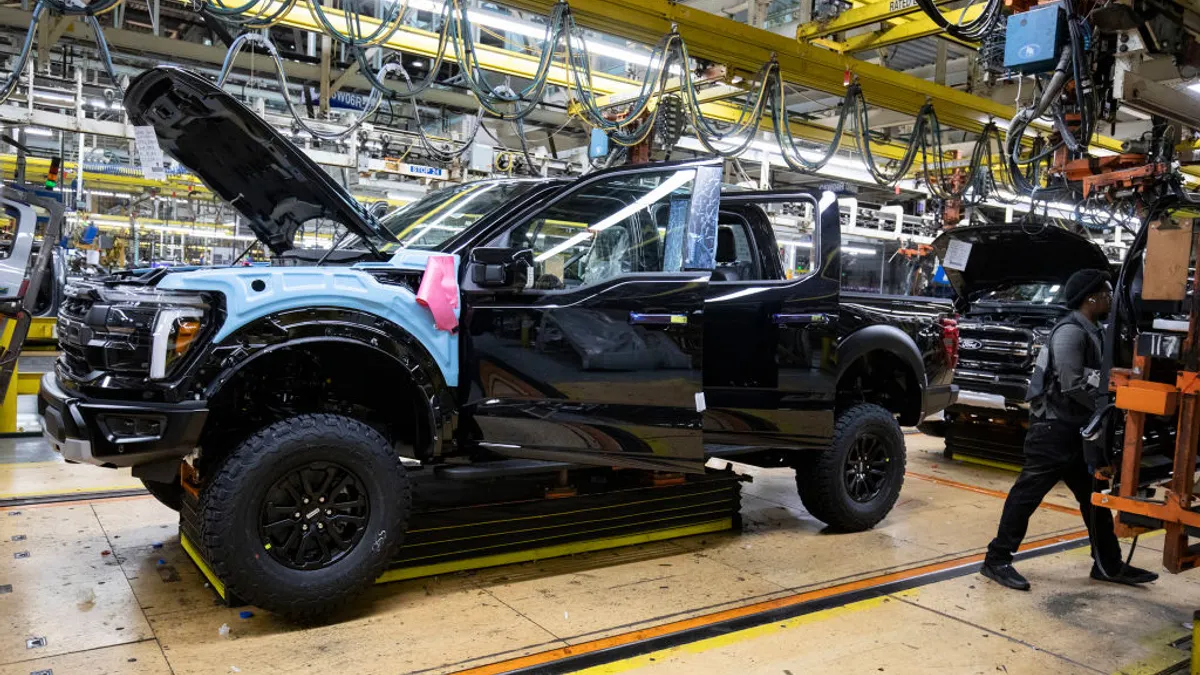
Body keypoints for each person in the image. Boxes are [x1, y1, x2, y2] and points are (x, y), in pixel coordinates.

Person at [980, 269, 1159, 591]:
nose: (1109, 298)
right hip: (1054, 430)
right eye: (1105, 293)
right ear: (1090, 298)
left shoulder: (1092, 330)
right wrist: (1110, 406)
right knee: (1027, 496)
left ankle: (1107, 564)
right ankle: (996, 560)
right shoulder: (1070, 332)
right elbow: (1071, 384)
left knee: (1094, 500)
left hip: (1077, 431)